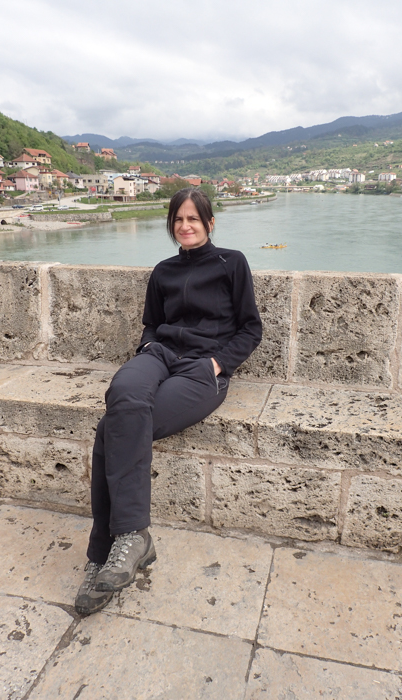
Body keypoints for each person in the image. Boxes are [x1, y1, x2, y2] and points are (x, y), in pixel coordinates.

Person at [75, 187, 262, 614]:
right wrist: (147, 349)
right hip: (158, 355)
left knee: (110, 428)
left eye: (194, 218)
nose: (185, 225)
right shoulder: (163, 271)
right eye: (178, 219)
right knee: (122, 392)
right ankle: (132, 538)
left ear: (210, 223)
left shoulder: (232, 263)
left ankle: (104, 552)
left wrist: (218, 364)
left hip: (202, 368)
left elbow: (251, 328)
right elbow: (151, 324)